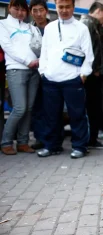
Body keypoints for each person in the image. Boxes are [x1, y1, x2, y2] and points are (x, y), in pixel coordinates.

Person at [37, 0, 94, 159]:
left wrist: (83, 75)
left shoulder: (81, 28)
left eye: (67, 6)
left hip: (72, 79)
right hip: (51, 79)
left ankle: (80, 147)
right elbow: (45, 52)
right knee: (51, 115)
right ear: (56, 7)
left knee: (77, 115)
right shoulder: (49, 28)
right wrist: (43, 72)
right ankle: (52, 146)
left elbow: (88, 54)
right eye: (60, 7)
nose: (64, 10)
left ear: (73, 7)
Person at [0, 0, 41, 155]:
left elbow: (40, 45)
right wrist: (27, 61)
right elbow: (8, 47)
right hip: (16, 70)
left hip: (34, 71)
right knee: (19, 108)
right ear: (10, 8)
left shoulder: (30, 27)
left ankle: (23, 142)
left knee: (29, 109)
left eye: (23, 10)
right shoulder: (3, 25)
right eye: (16, 9)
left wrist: (39, 62)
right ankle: (6, 142)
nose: (19, 12)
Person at [80, 2, 103, 150]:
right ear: (98, 11)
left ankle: (92, 138)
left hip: (93, 72)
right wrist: (95, 68)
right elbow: (88, 50)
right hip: (90, 73)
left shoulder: (93, 25)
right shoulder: (87, 24)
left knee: (95, 106)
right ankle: (90, 139)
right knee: (92, 106)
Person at [29, 0, 50, 150]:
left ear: (46, 11)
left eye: (40, 10)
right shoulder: (29, 30)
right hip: (33, 73)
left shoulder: (54, 28)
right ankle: (39, 138)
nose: (38, 14)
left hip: (51, 73)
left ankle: (53, 137)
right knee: (36, 106)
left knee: (52, 106)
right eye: (34, 11)